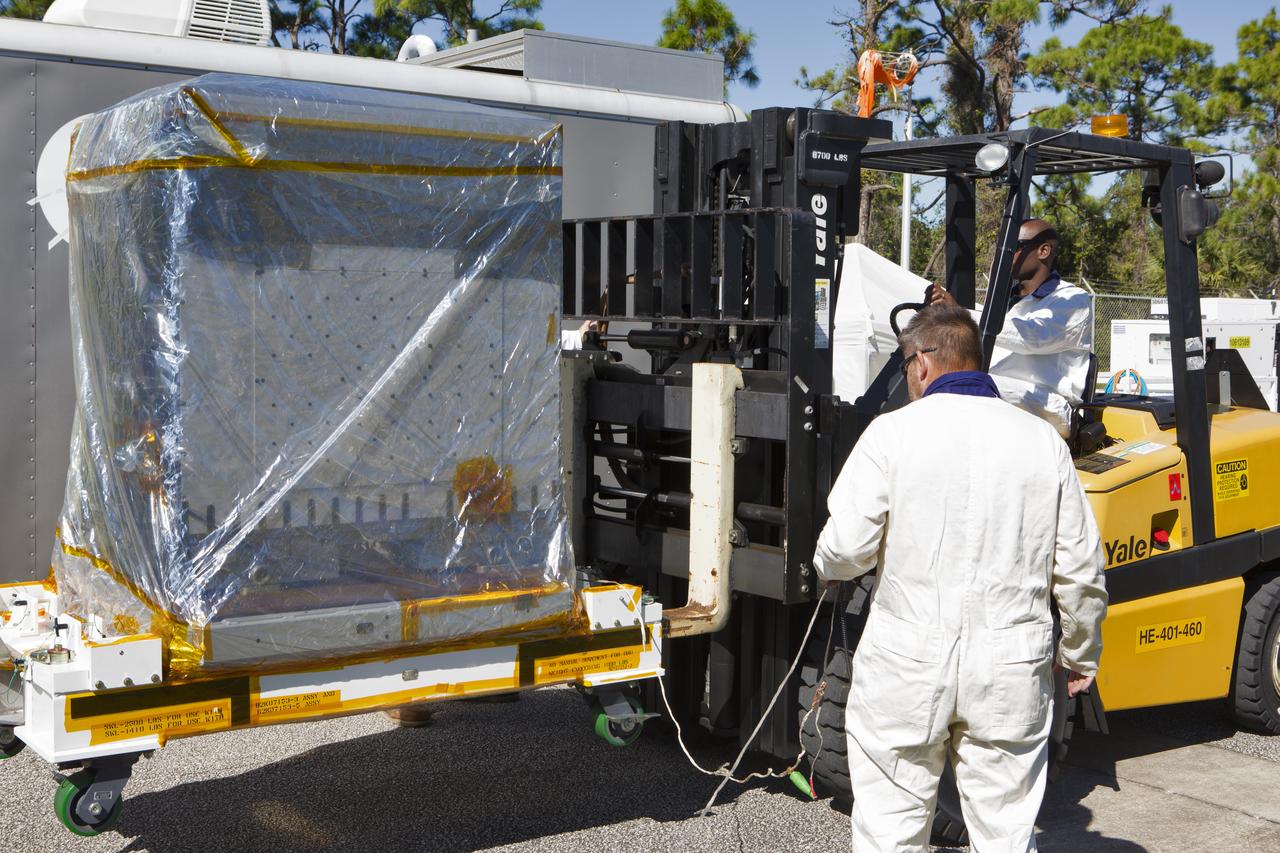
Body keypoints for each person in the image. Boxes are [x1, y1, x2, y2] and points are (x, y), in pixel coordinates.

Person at [813, 305, 1107, 852]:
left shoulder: (891, 434)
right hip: (1010, 665)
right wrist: (1079, 654)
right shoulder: (1042, 443)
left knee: (889, 830)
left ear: (922, 363)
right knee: (1004, 832)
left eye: (905, 366)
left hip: (906, 660)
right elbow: (1082, 571)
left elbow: (847, 547)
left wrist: (827, 568)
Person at [928, 219, 1093, 438]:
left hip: (1048, 404)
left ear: (1044, 250)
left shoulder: (1073, 300)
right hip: (1001, 394)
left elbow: (1032, 336)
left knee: (962, 384)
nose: (1004, 257)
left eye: (1014, 248)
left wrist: (961, 314)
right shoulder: (1007, 302)